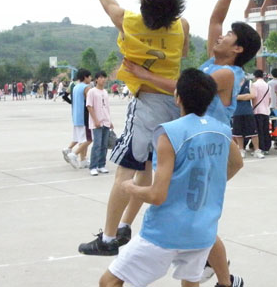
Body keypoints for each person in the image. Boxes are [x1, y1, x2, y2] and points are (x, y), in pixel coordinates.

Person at [120, 0, 260, 287]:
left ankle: (223, 279)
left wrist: (144, 75)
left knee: (197, 219)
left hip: (209, 146)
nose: (221, 36)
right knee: (198, 221)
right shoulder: (215, 61)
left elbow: (183, 87)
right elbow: (215, 19)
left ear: (237, 49)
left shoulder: (226, 74)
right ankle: (224, 279)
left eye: (229, 37)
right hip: (200, 143)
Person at [69, 0, 189, 256]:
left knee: (124, 171)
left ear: (144, 9)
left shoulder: (127, 21)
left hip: (146, 105)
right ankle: (124, 226)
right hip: (175, 107)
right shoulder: (182, 26)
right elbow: (183, 54)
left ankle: (108, 239)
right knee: (146, 169)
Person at [99, 69, 244, 287]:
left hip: (166, 231)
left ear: (178, 97)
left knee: (109, 282)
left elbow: (157, 195)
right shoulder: (222, 130)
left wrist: (129, 187)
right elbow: (237, 163)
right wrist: (211, 184)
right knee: (190, 282)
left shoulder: (169, 133)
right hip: (202, 230)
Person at [87, 71, 114, 176]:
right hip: (97, 123)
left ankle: (101, 165)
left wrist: (110, 121)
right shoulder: (92, 91)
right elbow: (89, 106)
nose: (103, 79)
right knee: (97, 145)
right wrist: (95, 120)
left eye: (104, 77)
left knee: (104, 145)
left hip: (106, 122)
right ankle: (93, 166)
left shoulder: (105, 92)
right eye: (101, 77)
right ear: (96, 79)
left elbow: (107, 108)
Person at [66, 68, 93, 169]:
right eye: (89, 76)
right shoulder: (86, 88)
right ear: (85, 77)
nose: (91, 78)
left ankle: (83, 160)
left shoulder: (75, 87)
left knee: (82, 140)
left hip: (76, 116)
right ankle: (74, 154)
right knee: (89, 139)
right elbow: (90, 103)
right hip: (84, 117)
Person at [232, 77, 265, 159]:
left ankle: (257, 150)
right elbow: (231, 96)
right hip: (236, 112)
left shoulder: (249, 83)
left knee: (253, 133)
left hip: (248, 111)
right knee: (238, 133)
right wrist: (246, 96)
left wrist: (239, 96)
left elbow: (253, 95)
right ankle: (241, 150)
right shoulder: (232, 83)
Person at [252, 69, 272, 154]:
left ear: (255, 76)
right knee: (265, 130)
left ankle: (261, 148)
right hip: (266, 111)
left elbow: (254, 97)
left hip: (257, 110)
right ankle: (267, 147)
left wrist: (253, 107)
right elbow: (270, 99)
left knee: (258, 131)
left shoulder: (254, 85)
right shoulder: (267, 85)